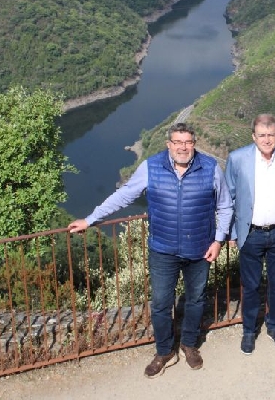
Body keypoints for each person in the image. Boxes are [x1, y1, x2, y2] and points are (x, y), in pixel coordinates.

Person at [67, 123, 233, 377]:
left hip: (200, 248)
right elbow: (124, 195)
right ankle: (164, 350)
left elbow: (225, 206)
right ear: (168, 144)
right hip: (163, 250)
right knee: (160, 303)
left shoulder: (210, 168)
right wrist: (91, 219)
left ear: (194, 144)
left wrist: (218, 240)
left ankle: (189, 345)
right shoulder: (151, 167)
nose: (182, 147)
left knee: (196, 299)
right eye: (177, 142)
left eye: (187, 142)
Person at [225, 114, 275, 355]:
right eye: (262, 135)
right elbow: (228, 198)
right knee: (250, 286)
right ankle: (249, 331)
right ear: (253, 136)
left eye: (271, 135)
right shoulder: (237, 159)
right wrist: (231, 232)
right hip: (250, 234)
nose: (266, 140)